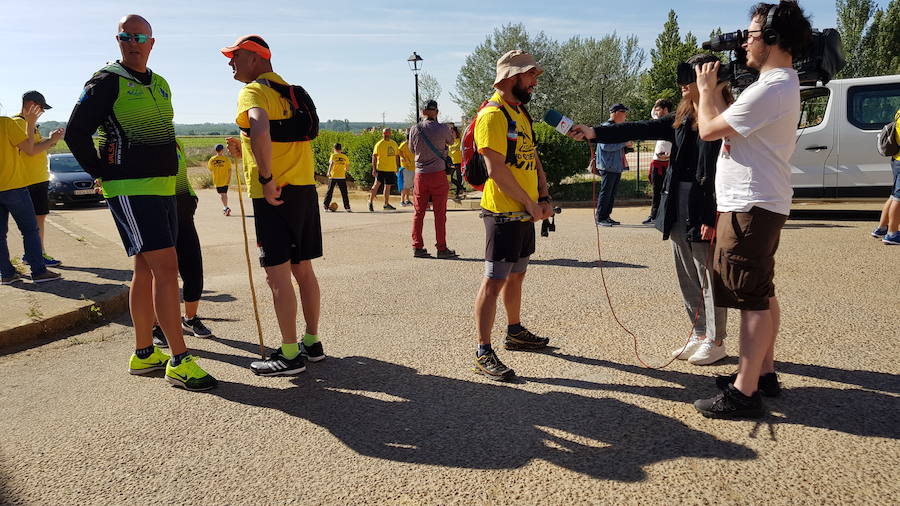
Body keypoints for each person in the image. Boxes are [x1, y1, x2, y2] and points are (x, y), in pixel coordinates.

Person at [65, 14, 216, 391]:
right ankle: (180, 359)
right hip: (131, 187)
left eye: (139, 36)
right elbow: (75, 132)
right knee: (168, 267)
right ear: (118, 40)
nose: (132, 42)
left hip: (163, 186)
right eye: (125, 36)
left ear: (152, 42)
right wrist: (103, 171)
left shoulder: (161, 84)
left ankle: (145, 352)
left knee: (145, 269)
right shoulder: (106, 81)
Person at [570, 54, 732, 367]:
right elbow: (642, 128)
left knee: (707, 273)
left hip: (705, 202)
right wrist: (594, 132)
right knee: (686, 270)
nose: (684, 84)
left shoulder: (723, 114)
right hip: (677, 200)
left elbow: (722, 170)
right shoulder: (684, 116)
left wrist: (712, 214)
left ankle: (716, 339)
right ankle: (699, 333)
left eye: (692, 75)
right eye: (683, 77)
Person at [694, 1, 812, 418]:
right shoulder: (775, 84)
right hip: (755, 202)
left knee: (750, 298)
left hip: (751, 205)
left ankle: (745, 393)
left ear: (774, 39)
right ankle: (763, 373)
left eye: (752, 35)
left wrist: (705, 91)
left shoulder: (773, 86)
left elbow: (708, 129)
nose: (745, 42)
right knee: (760, 290)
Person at [221, 34, 326, 376]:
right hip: (304, 191)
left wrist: (265, 178)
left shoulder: (254, 91)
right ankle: (312, 342)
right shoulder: (290, 92)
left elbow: (260, 125)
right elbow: (268, 136)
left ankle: (290, 354)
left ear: (254, 57)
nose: (230, 62)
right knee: (304, 270)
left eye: (235, 55)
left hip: (274, 193)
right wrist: (246, 150)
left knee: (277, 276)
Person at [472, 50, 554, 380]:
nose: (534, 81)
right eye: (529, 75)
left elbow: (531, 158)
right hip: (504, 212)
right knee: (494, 281)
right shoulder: (492, 115)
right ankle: (482, 351)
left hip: (525, 211)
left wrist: (544, 194)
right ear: (510, 77)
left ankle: (515, 331)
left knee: (517, 274)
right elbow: (496, 170)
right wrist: (529, 204)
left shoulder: (520, 113)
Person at [151, 140, 212, 349]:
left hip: (183, 208)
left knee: (194, 269)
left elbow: (181, 174)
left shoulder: (176, 142)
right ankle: (156, 325)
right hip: (157, 209)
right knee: (160, 274)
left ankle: (190, 318)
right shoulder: (142, 141)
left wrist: (192, 196)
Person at [1, 105, 62, 285]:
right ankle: (38, 271)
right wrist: (31, 124)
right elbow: (29, 148)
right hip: (14, 186)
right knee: (30, 230)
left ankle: (6, 274)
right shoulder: (5, 123)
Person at [12, 91, 66, 267]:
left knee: (37, 220)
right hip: (31, 180)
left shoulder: (28, 124)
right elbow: (31, 150)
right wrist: (50, 140)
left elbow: (33, 148)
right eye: (40, 106)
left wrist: (51, 140)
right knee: (37, 221)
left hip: (35, 179)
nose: (42, 110)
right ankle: (37, 254)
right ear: (30, 103)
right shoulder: (21, 123)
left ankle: (33, 254)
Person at [408, 99, 457, 259]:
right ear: (436, 112)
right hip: (438, 174)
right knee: (440, 213)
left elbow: (411, 149)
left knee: (418, 212)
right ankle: (441, 248)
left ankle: (417, 246)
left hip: (420, 175)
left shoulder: (415, 129)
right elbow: (451, 141)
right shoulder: (442, 128)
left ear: (423, 112)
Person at [595, 104, 633, 226]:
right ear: (616, 113)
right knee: (606, 193)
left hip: (615, 165)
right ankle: (600, 218)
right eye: (624, 112)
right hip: (608, 166)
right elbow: (606, 146)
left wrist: (627, 146)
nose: (625, 116)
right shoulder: (606, 127)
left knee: (611, 194)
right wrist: (624, 143)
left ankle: (607, 216)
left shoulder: (616, 127)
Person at [871, 107, 900, 245]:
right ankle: (892, 234)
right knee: (898, 198)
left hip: (897, 159)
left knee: (894, 195)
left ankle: (882, 228)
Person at [643, 99, 673, 225]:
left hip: (669, 163)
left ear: (665, 110)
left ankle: (666, 215)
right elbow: (652, 113)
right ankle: (653, 215)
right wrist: (657, 102)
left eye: (659, 109)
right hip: (657, 162)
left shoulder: (674, 121)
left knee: (669, 190)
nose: (656, 112)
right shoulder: (658, 122)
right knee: (656, 190)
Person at [369, 128, 400, 211]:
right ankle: (370, 202)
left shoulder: (394, 143)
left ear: (390, 134)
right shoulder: (379, 144)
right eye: (385, 133)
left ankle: (386, 204)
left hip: (391, 169)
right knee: (376, 185)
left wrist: (397, 167)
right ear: (382, 134)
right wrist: (374, 169)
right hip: (381, 168)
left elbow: (397, 156)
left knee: (388, 186)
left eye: (388, 133)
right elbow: (374, 157)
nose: (386, 135)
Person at [323, 142, 351, 212]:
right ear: (341, 149)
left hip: (333, 176)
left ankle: (326, 206)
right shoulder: (345, 157)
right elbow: (347, 168)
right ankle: (347, 207)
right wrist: (344, 169)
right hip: (341, 177)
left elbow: (331, 164)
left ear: (334, 149)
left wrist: (328, 172)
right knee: (344, 192)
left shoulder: (333, 156)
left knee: (329, 191)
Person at [207, 144, 232, 216]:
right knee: (223, 194)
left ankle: (225, 207)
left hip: (217, 180)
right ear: (222, 150)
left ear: (216, 150)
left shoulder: (212, 159)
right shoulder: (226, 159)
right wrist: (229, 178)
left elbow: (210, 169)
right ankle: (225, 207)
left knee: (222, 194)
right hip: (225, 179)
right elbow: (229, 170)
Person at [448, 124, 465, 201]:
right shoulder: (450, 141)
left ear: (456, 132)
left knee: (459, 177)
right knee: (450, 177)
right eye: (451, 132)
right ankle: (461, 187)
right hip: (451, 162)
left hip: (459, 161)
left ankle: (458, 192)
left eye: (453, 132)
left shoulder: (460, 140)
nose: (452, 133)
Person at [398, 133, 415, 207]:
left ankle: (407, 199)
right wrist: (405, 159)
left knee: (409, 185)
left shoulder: (413, 144)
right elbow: (399, 152)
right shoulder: (404, 144)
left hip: (413, 167)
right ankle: (402, 200)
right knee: (405, 185)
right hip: (406, 167)